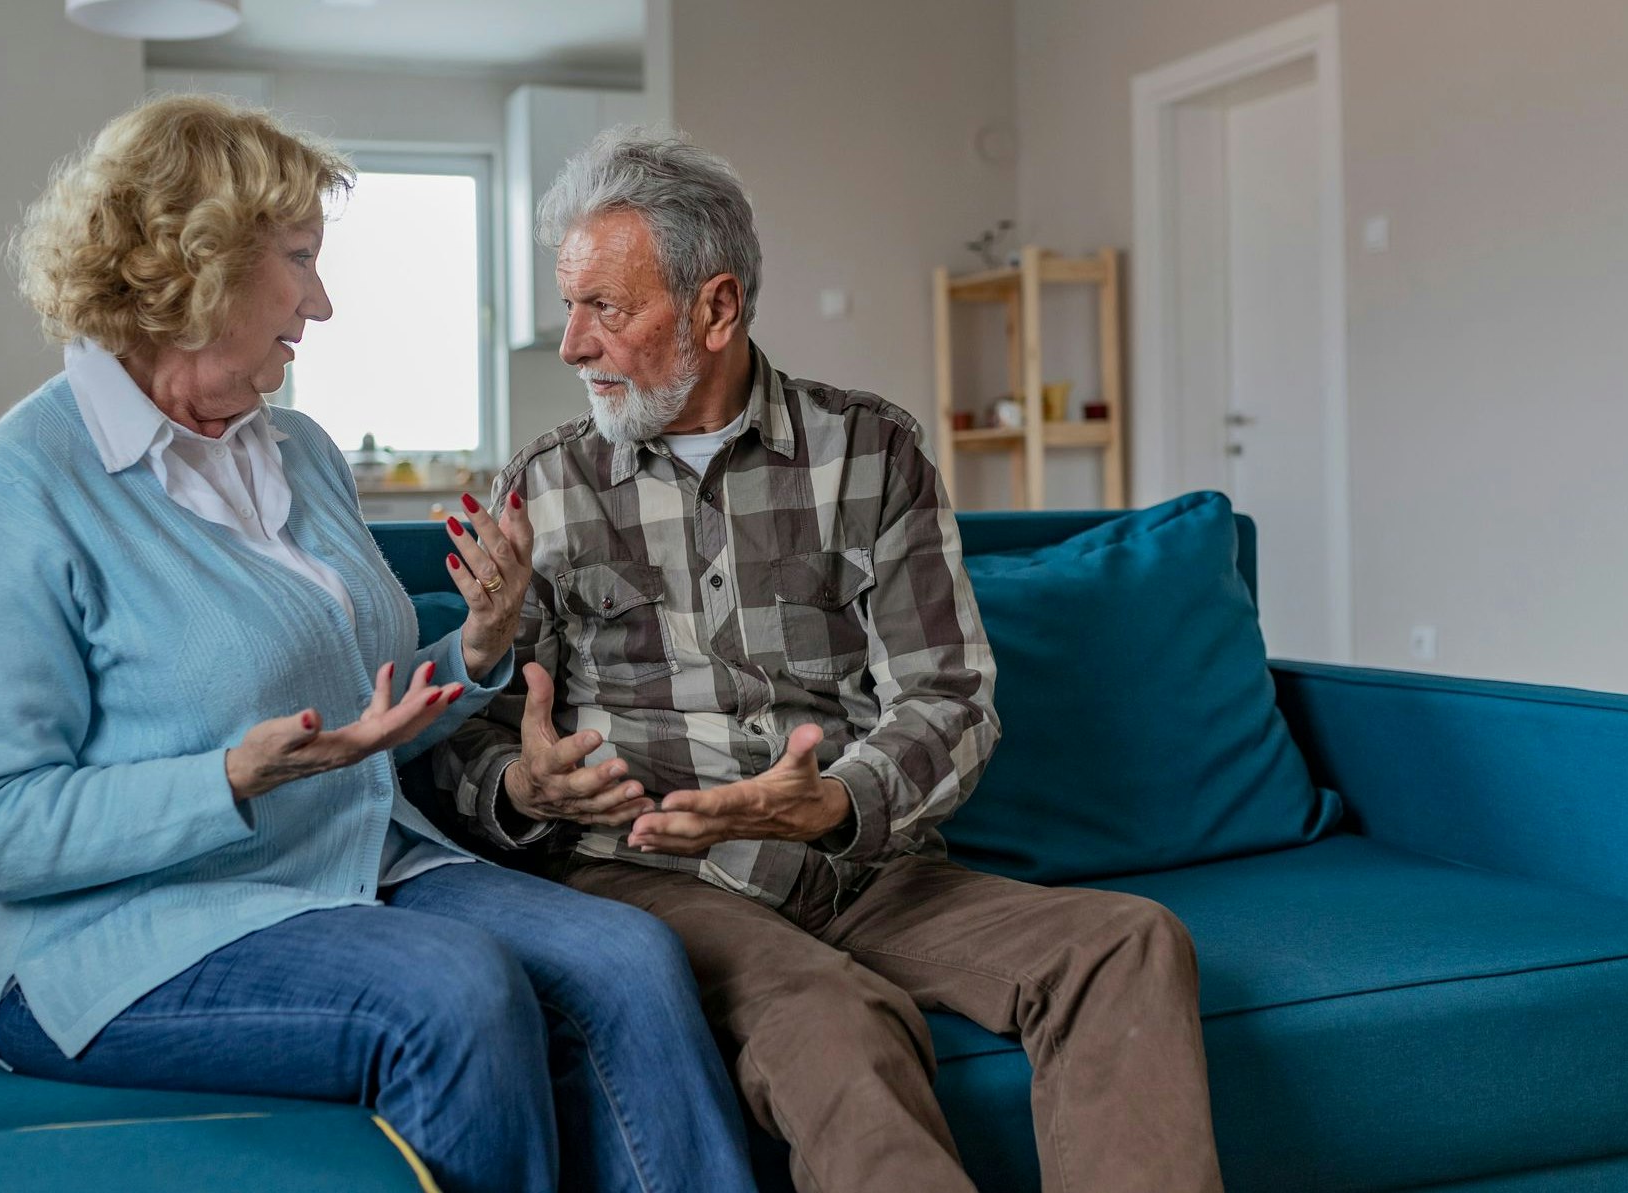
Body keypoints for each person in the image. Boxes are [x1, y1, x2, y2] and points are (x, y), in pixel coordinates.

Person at [0, 96, 755, 1193]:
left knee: (633, 958)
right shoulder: (19, 486)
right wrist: (227, 778)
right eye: (300, 258)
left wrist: (477, 646)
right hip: (133, 932)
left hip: (359, 865)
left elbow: (358, 717)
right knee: (453, 989)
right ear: (196, 260)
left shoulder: (299, 449)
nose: (320, 299)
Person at [441, 129, 1225, 1193]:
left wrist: (833, 803)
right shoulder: (546, 484)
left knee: (1126, 942)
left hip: (863, 863)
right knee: (835, 1022)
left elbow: (950, 696)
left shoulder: (873, 452)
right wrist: (522, 785)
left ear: (717, 308)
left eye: (606, 309)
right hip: (660, 874)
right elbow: (474, 732)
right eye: (569, 304)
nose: (572, 342)